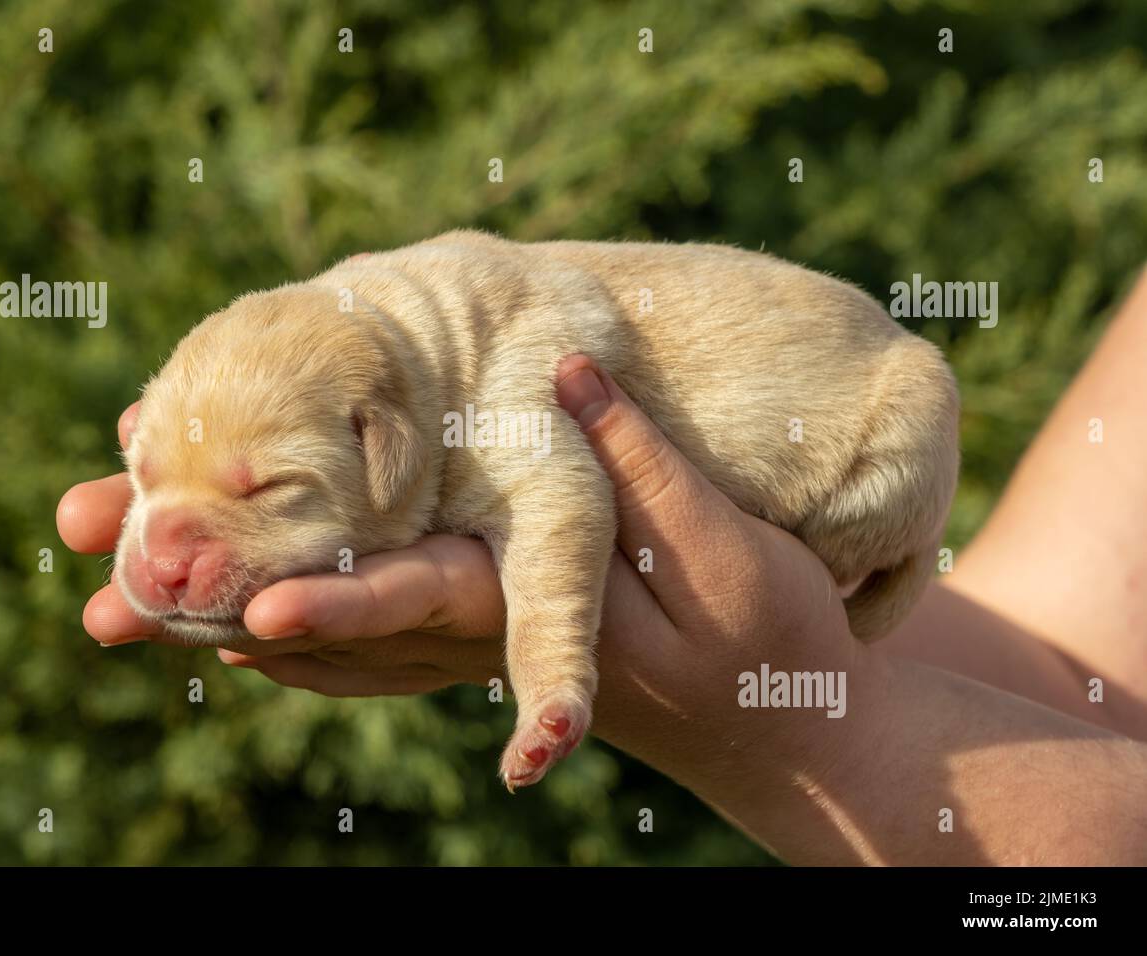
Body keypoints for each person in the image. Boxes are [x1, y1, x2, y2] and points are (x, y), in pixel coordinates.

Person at [57, 270, 1147, 865]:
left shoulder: (485, 394)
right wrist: (777, 644)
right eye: (145, 467)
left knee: (909, 404)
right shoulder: (408, 330)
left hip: (867, 419)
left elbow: (554, 494)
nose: (161, 541)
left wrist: (818, 729)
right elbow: (1078, 665)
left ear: (385, 441)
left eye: (267, 488)